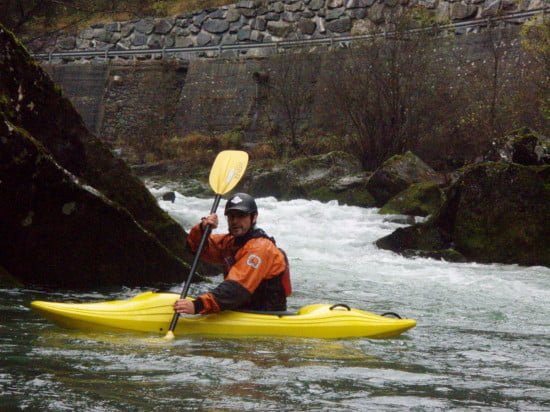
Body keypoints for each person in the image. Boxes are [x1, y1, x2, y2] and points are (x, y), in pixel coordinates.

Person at [174, 193, 291, 315]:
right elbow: (195, 248)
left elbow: (237, 288)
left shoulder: (261, 248)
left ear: (254, 217)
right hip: (240, 309)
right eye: (231, 216)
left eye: (241, 216)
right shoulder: (230, 242)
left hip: (264, 314)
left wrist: (198, 305)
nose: (235, 221)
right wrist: (203, 229)